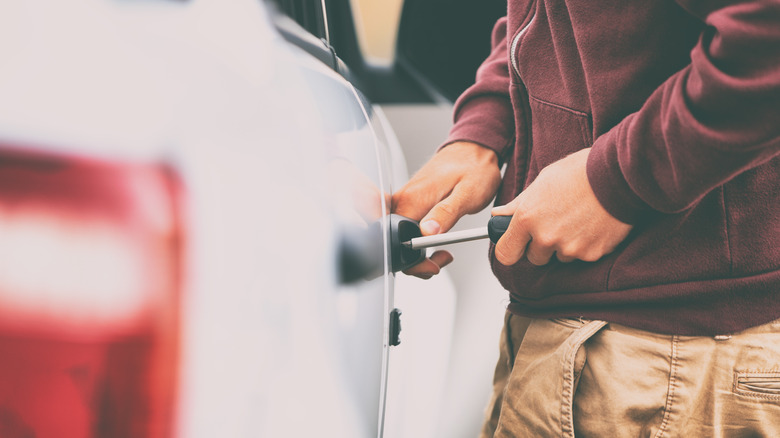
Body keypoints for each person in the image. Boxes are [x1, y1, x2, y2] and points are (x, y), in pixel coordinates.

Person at [392, 0, 780, 436]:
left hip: (662, 360)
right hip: (601, 348)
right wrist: (483, 129)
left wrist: (616, 180)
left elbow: (766, 34)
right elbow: (546, 19)